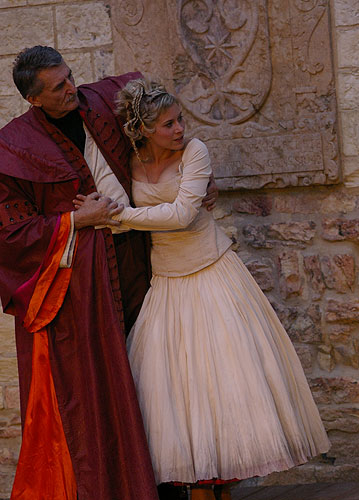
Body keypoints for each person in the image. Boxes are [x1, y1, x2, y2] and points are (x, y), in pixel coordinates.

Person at [74, 78, 331, 500]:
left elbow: (181, 216)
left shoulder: (195, 151)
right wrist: (107, 212)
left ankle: (218, 489)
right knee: (178, 395)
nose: (179, 130)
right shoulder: (130, 160)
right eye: (168, 124)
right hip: (168, 283)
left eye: (180, 120)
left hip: (213, 274)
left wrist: (116, 218)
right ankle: (199, 490)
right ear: (142, 130)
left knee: (223, 384)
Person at [0, 46, 159, 498]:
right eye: (57, 87)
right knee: (96, 393)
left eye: (69, 77)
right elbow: (9, 234)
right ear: (33, 99)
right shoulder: (12, 148)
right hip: (80, 291)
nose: (71, 89)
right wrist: (74, 221)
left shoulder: (105, 99)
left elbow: (169, 126)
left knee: (154, 374)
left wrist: (196, 180)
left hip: (140, 262)